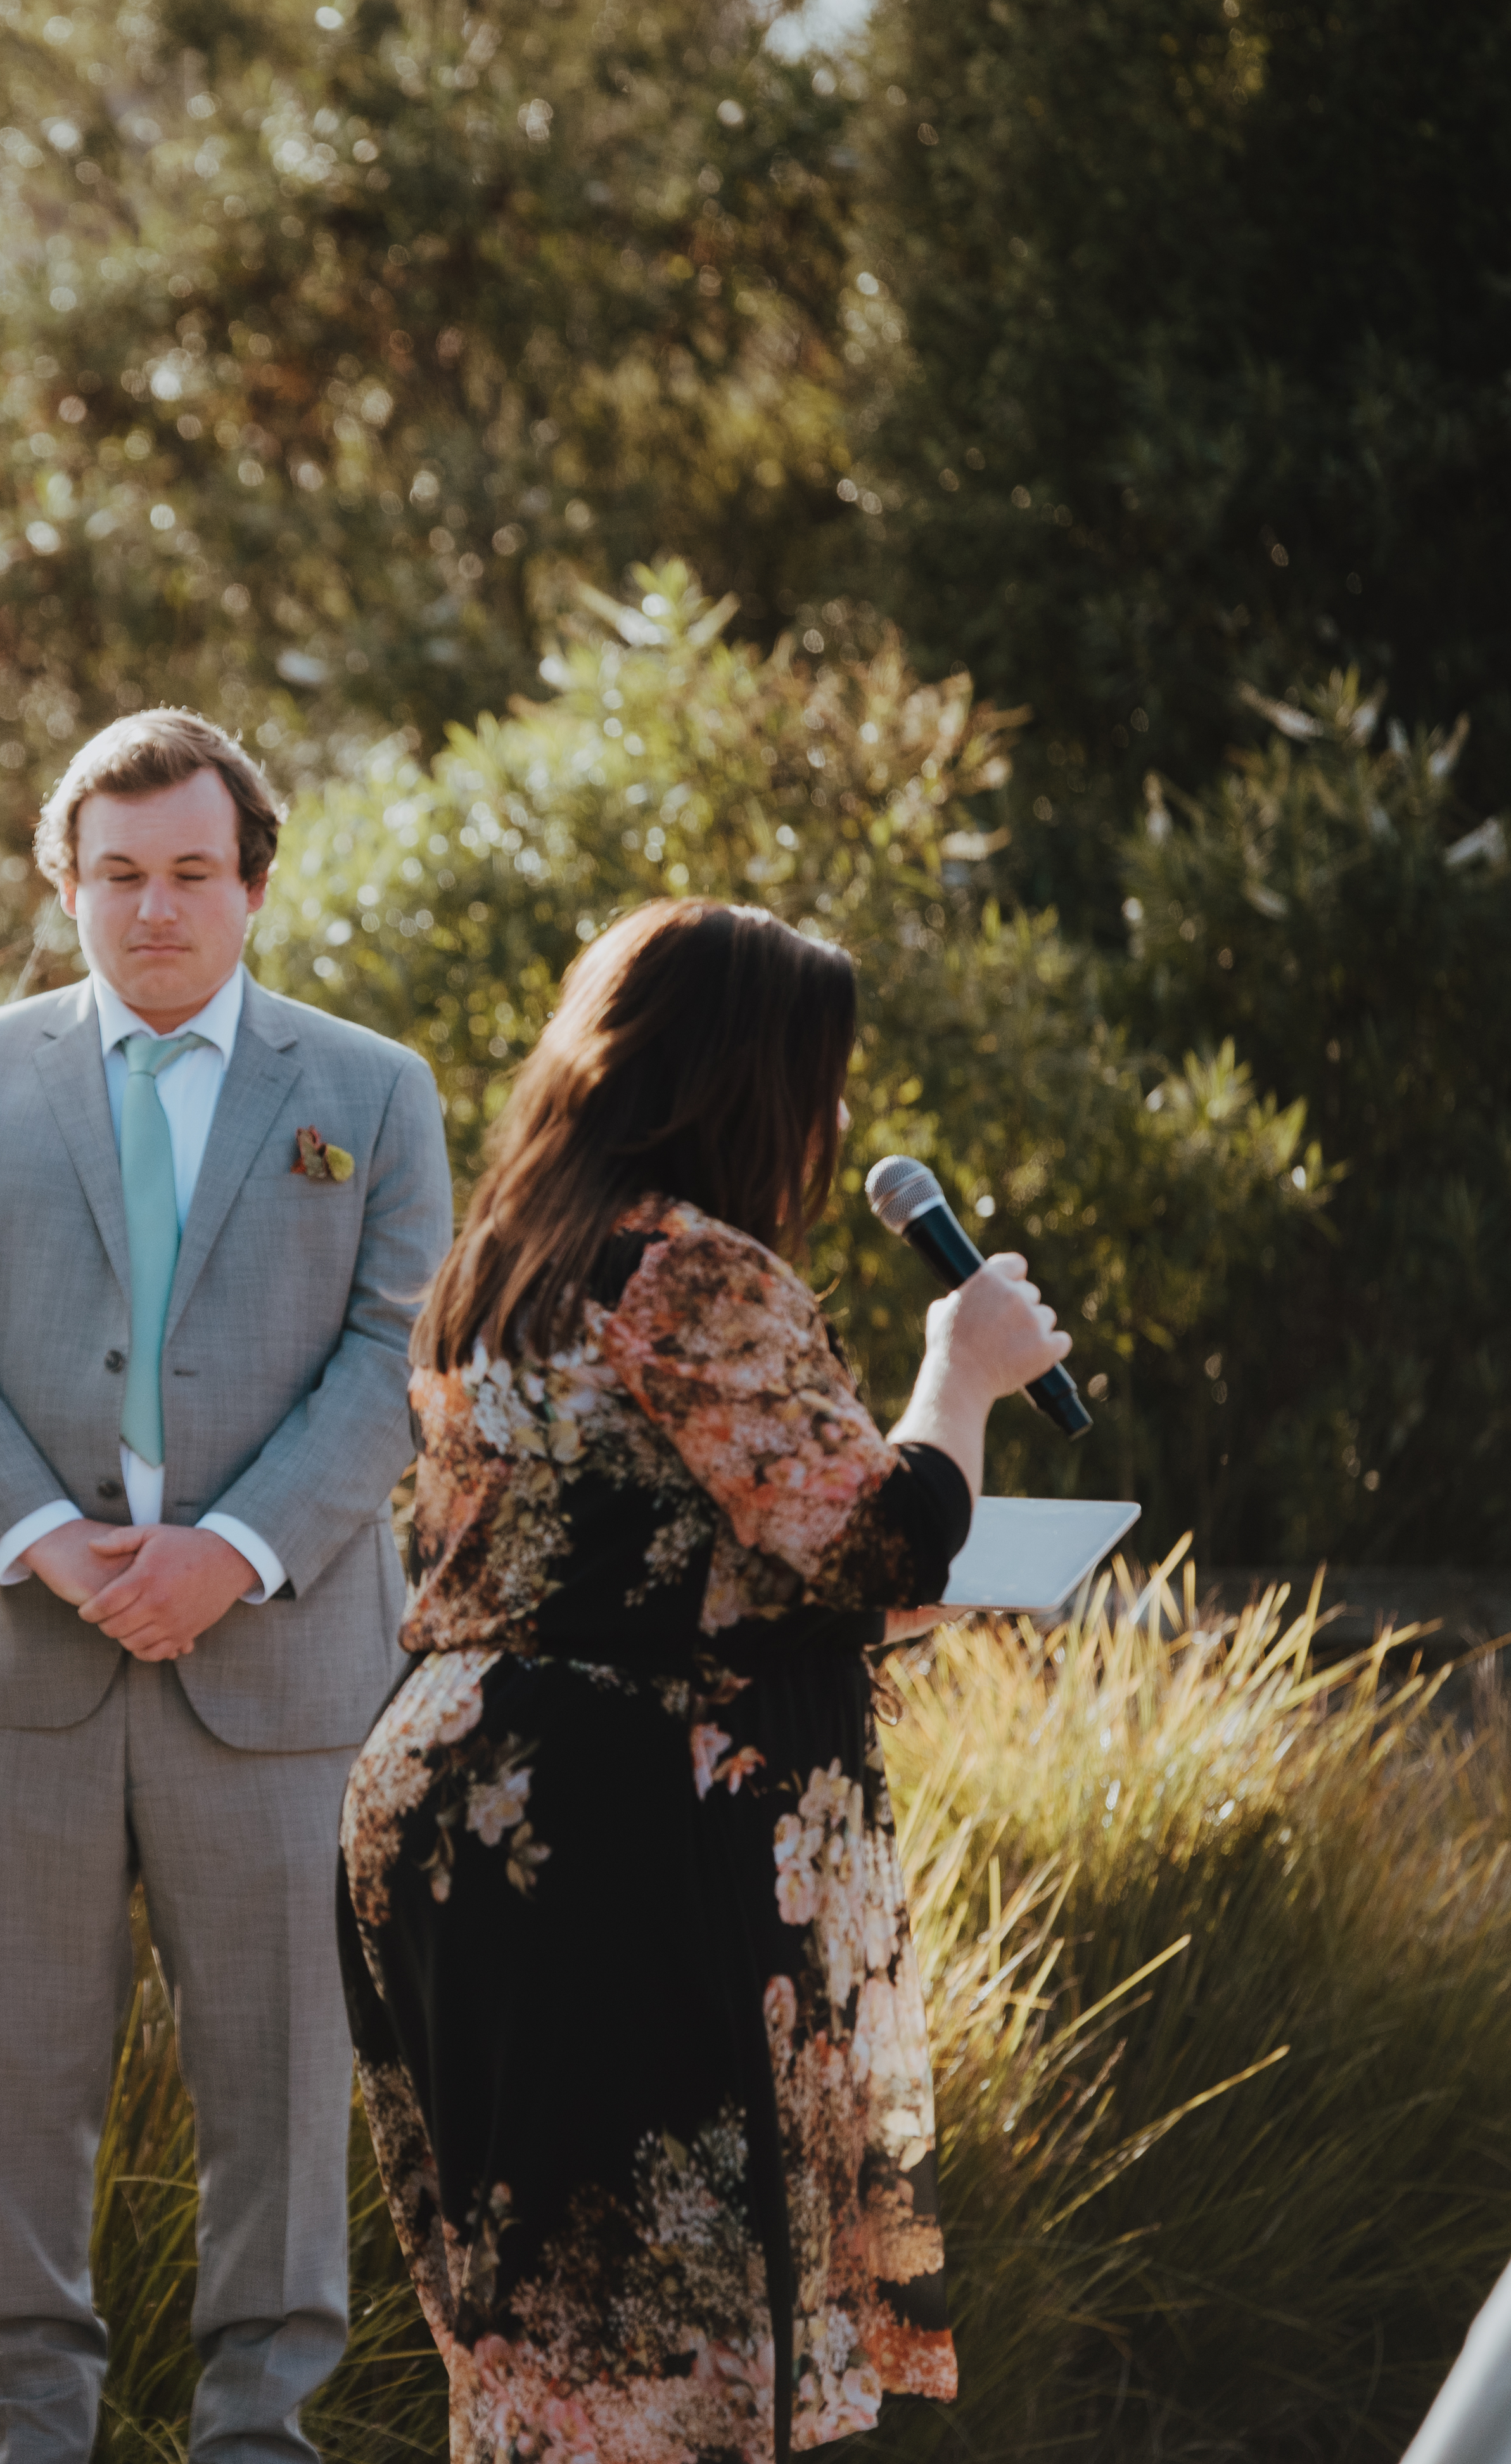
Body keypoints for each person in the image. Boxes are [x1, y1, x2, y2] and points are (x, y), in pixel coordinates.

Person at [336, 896, 1069, 2463]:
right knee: (676, 2336)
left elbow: (634, 1555)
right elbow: (880, 1533)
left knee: (536, 2331)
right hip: (613, 1833)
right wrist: (963, 1364)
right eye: (819, 1075)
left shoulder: (502, 1266)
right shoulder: (686, 1267)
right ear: (747, 1075)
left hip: (457, 1796)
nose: (833, 1117)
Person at [0, 711, 454, 2463]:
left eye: (192, 873)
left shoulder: (371, 1093)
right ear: (69, 886)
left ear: (253, 886)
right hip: (7, 1665)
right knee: (13, 2111)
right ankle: (23, 2443)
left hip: (279, 1679)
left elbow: (396, 1353)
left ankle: (258, 2443)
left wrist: (236, 1552)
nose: (155, 910)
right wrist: (49, 1541)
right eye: (116, 875)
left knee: (282, 2107)